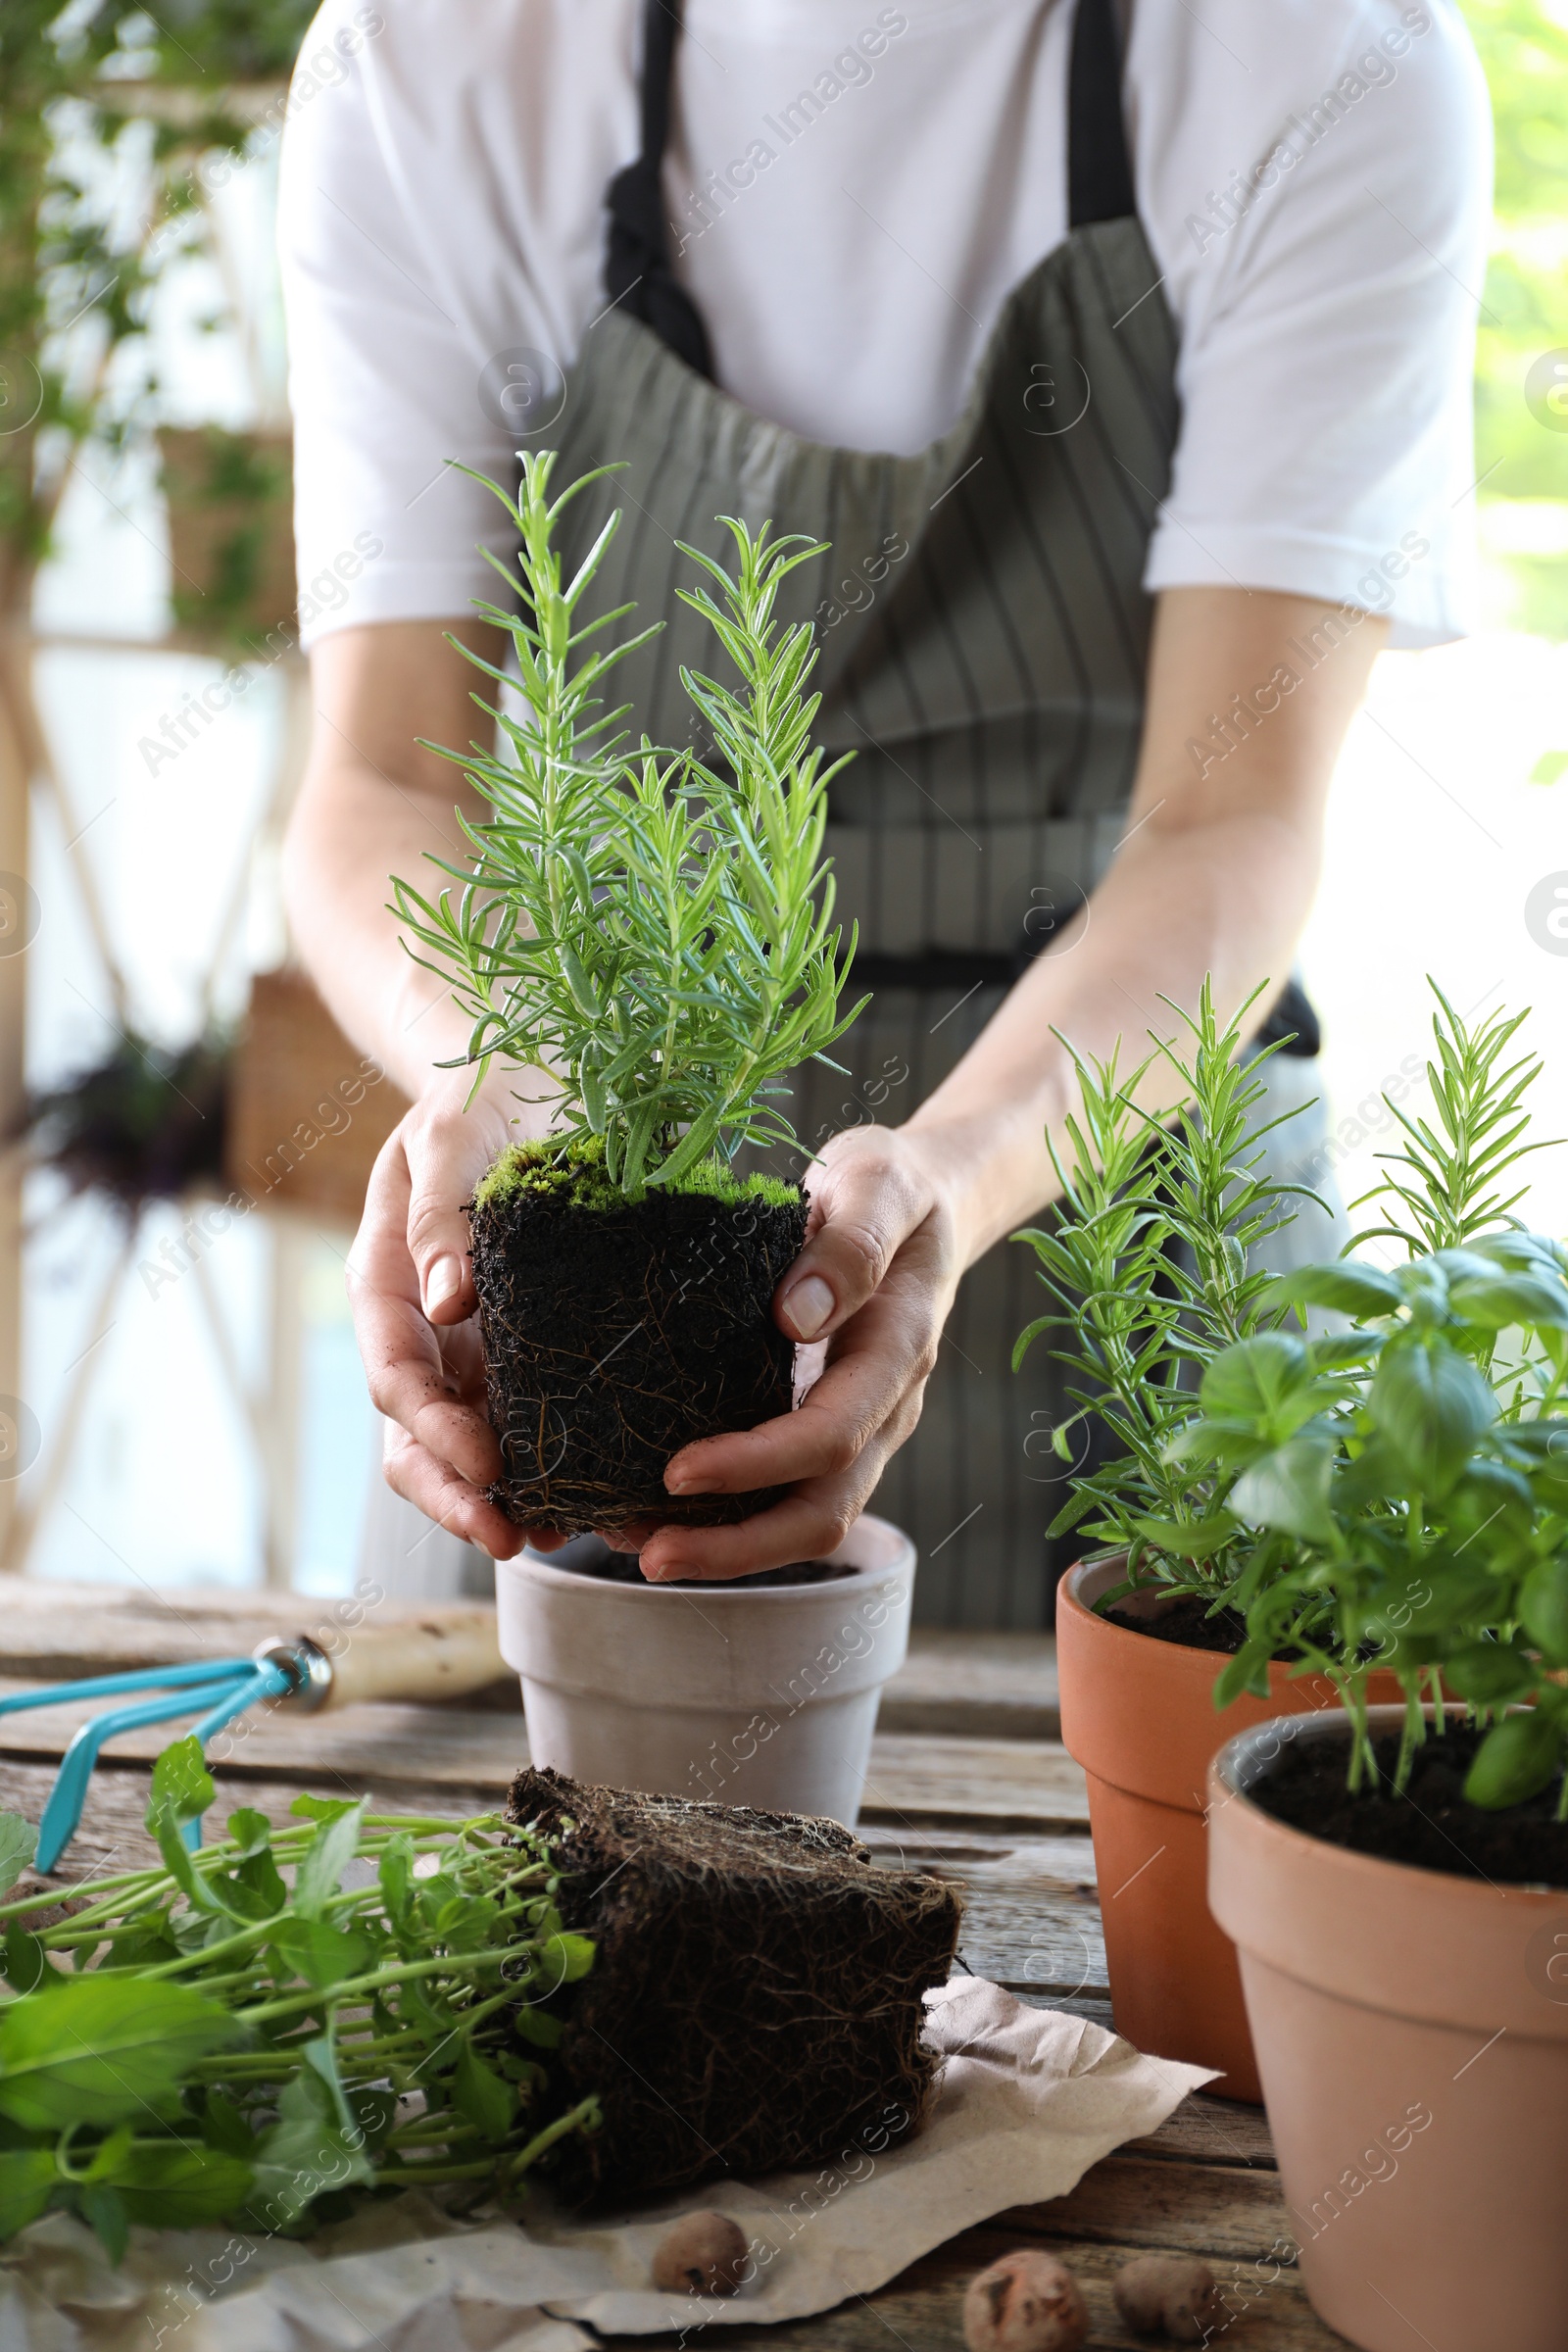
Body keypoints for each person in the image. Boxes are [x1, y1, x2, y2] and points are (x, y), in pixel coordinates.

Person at [277, 0, 1490, 1620]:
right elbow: (383, 780)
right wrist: (504, 1081)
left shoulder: (1323, 54)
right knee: (523, 1853)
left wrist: (956, 1177)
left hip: (1116, 1178)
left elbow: (1228, 824)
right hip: (597, 1246)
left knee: (1111, 1841)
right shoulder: (433, 55)